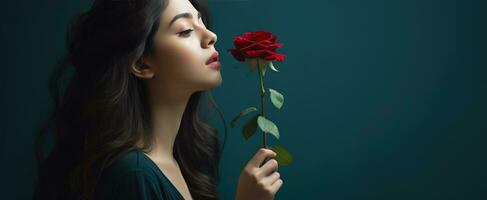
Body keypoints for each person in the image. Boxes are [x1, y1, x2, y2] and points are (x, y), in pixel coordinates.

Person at [33, 0, 283, 199]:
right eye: (185, 31)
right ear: (142, 63)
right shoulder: (135, 176)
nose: (211, 36)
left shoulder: (181, 161)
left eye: (202, 21)